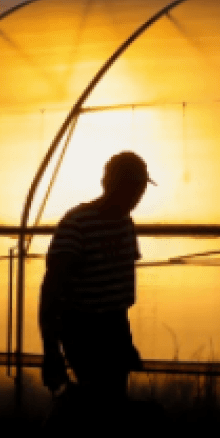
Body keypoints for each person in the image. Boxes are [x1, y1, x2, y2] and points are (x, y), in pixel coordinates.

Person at [39, 151, 155, 409]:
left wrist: (124, 341)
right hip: (83, 329)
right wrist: (51, 349)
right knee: (101, 403)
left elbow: (118, 295)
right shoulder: (77, 223)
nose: (138, 196)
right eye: (134, 188)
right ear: (112, 186)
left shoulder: (125, 224)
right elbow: (52, 289)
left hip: (112, 327)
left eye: (141, 189)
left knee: (107, 403)